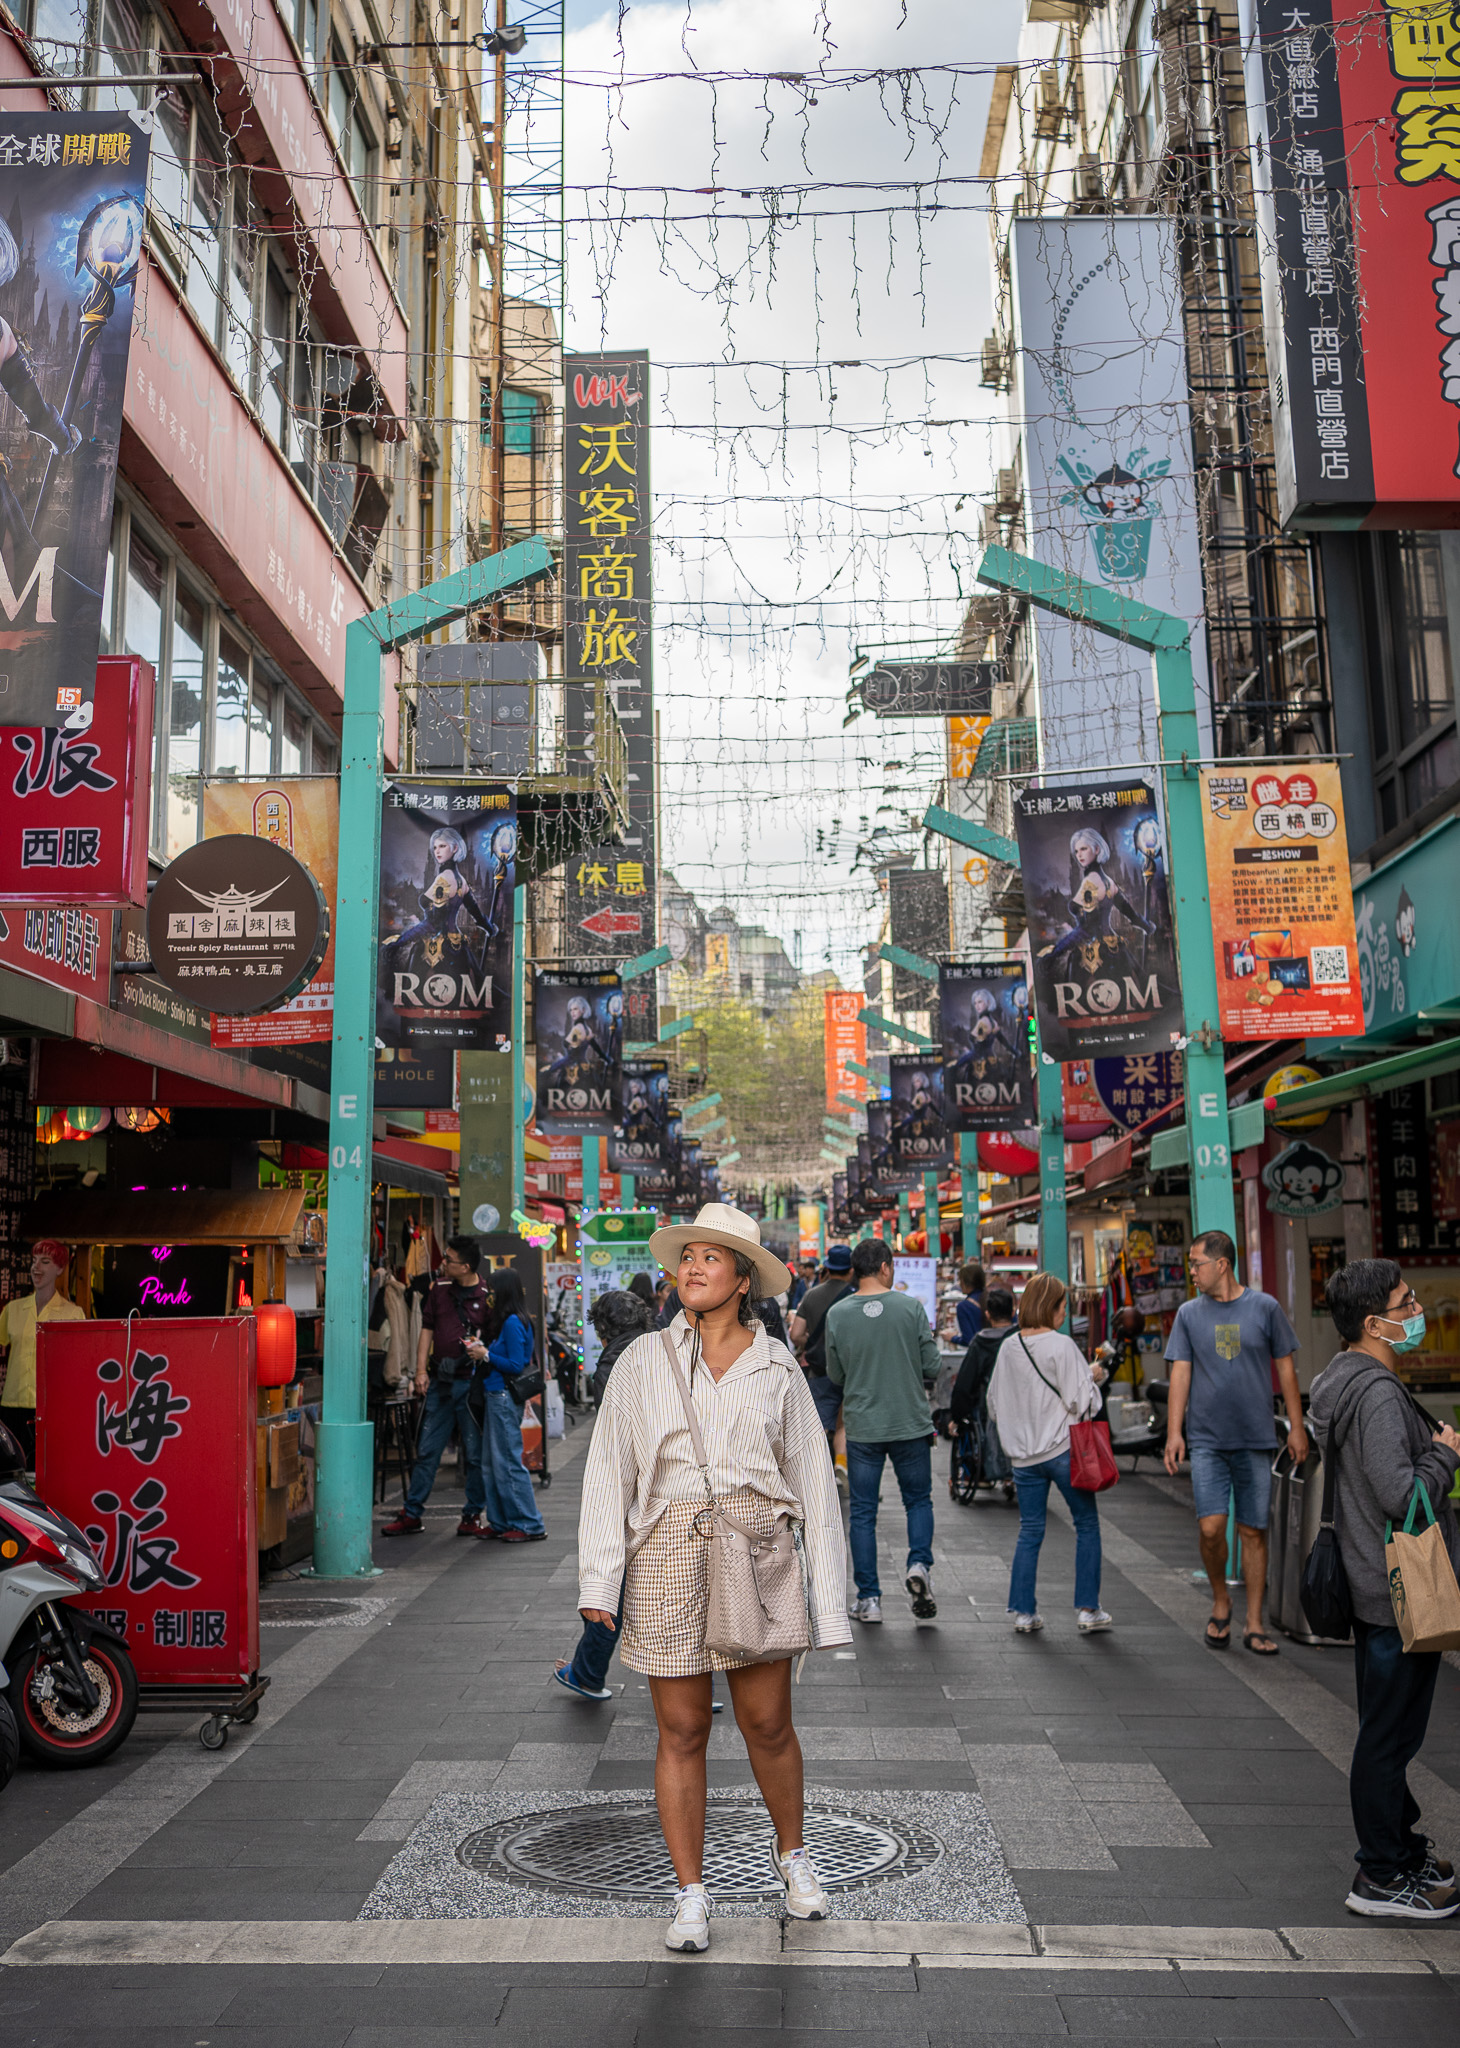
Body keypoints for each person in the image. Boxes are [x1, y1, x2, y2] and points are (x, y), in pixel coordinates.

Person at [577, 1202, 849, 1952]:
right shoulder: (642, 1362)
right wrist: (600, 1580)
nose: (692, 1268)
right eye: (686, 1255)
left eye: (711, 1257)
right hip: (666, 1549)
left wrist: (830, 1604)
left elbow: (816, 1486)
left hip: (757, 1551)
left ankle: (792, 1856)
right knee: (683, 1728)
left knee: (767, 1724)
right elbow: (609, 1472)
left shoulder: (777, 1368)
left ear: (742, 1279)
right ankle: (690, 1892)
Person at [1311, 1261, 1460, 1921]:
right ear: (1374, 1324)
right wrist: (1445, 1453)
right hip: (1395, 1587)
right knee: (1387, 1739)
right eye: (1405, 1303)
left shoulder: (1346, 1380)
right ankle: (1380, 1876)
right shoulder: (1372, 1392)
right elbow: (1402, 1495)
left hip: (1375, 1582)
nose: (1415, 1310)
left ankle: (1402, 1850)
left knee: (1389, 1733)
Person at [1163, 1228, 1303, 1655]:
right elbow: (1180, 1373)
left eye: (1196, 1264)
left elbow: (1286, 1372)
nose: (1192, 1271)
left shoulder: (1265, 1308)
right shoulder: (1188, 1314)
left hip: (1256, 1438)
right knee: (1211, 1528)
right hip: (1206, 1439)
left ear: (1221, 1264)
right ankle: (1221, 1600)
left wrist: (1296, 1427)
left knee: (1253, 1531)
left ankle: (1255, 1621)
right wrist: (1174, 1432)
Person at [825, 1237, 942, 1625]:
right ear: (887, 1267)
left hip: (863, 1426)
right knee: (918, 1501)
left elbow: (835, 1374)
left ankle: (869, 1599)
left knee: (862, 1513)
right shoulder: (911, 1308)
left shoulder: (838, 1314)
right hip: (910, 1422)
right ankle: (919, 1565)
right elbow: (933, 1365)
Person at [988, 1270, 1111, 1633]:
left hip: (1024, 1459)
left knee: (1030, 1530)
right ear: (1052, 1306)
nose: (1064, 1312)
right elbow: (1082, 1403)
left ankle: (1024, 1613)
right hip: (1061, 1451)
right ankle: (1089, 1610)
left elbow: (994, 1402)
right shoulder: (1061, 1345)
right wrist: (1093, 1379)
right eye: (1062, 1305)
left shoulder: (1009, 1346)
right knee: (1086, 1523)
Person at [555, 1289, 657, 1703]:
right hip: (670, 1483)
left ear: (605, 1327)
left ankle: (588, 1670)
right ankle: (587, 1670)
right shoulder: (663, 1345)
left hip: (636, 1487)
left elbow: (619, 1440)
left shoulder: (614, 1363)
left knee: (613, 1579)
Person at [381, 1236, 492, 1538]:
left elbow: (492, 1340)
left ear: (466, 1266)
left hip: (471, 1385)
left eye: (449, 1259)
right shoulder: (439, 1290)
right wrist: (420, 1371)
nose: (443, 1262)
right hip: (440, 1383)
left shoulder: (486, 1293)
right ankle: (412, 1513)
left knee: (473, 1454)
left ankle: (472, 1515)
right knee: (428, 1450)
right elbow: (426, 1330)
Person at [466, 1266, 546, 1542]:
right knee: (491, 1463)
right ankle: (500, 1521)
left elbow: (515, 1364)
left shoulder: (513, 1322)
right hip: (494, 1396)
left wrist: (485, 1354)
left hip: (502, 1397)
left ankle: (529, 1523)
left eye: (492, 1290)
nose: (489, 1294)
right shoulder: (511, 1320)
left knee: (508, 1461)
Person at [0, 1240, 86, 1468]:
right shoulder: (13, 1309)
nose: (36, 1267)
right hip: (13, 1403)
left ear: (59, 1269)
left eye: (45, 1262)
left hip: (52, 1406)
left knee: (49, 1468)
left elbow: (80, 1365)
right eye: (34, 1261)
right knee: (13, 1470)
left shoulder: (73, 1313)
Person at [947, 1285, 1015, 1492]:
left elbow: (965, 1384)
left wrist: (956, 1417)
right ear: (1013, 1312)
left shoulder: (980, 1342)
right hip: (1017, 1401)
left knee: (975, 1418)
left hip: (986, 1406)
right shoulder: (1019, 1338)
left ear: (987, 1314)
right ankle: (1011, 1477)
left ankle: (980, 1471)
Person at [955, 1261, 986, 1346]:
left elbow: (968, 1340)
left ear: (964, 1282)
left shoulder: (964, 1307)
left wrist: (952, 1338)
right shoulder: (993, 1298)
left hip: (979, 1354)